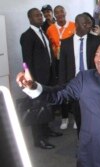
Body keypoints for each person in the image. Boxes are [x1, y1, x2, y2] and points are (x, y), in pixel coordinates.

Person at [16, 39, 100, 167]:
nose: (99, 59)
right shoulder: (85, 79)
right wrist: (33, 87)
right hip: (92, 154)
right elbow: (58, 95)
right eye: (97, 54)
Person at [20, 8, 62, 150]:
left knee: (46, 105)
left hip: (49, 75)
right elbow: (26, 60)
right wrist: (31, 80)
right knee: (36, 107)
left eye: (41, 15)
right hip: (37, 78)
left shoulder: (43, 32)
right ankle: (38, 139)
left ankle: (46, 130)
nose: (40, 17)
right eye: (36, 15)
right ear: (29, 18)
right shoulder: (27, 36)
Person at [58, 13, 100, 134]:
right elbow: (63, 66)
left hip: (92, 82)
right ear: (76, 25)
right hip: (75, 83)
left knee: (94, 114)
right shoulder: (66, 43)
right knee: (79, 115)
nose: (89, 26)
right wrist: (63, 86)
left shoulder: (96, 40)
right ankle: (82, 142)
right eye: (85, 23)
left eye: (90, 23)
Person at [46, 5, 75, 129]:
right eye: (56, 13)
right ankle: (64, 118)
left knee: (74, 89)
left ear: (65, 12)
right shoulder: (50, 29)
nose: (59, 14)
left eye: (61, 12)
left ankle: (75, 118)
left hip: (72, 62)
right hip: (58, 64)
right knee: (61, 89)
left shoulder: (74, 25)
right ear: (54, 14)